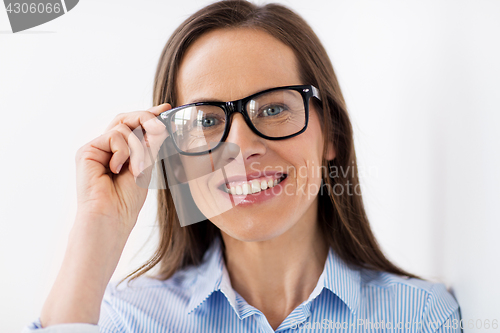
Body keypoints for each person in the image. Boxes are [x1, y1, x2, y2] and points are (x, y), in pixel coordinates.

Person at [23, 1, 461, 332]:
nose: (242, 147)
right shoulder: (126, 318)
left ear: (331, 136)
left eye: (273, 109)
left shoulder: (420, 316)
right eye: (207, 120)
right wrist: (98, 225)